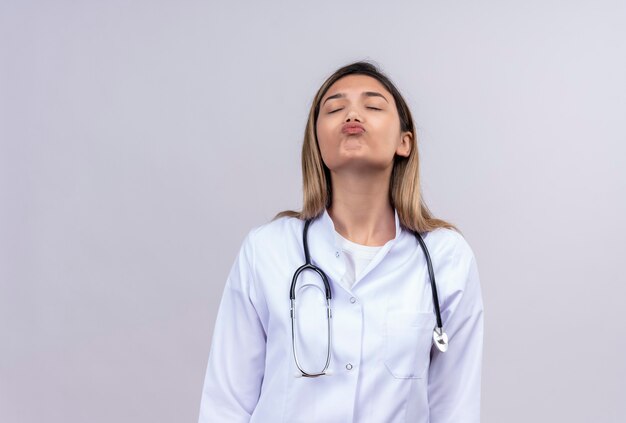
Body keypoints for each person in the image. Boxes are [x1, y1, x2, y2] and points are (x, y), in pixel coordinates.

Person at [198, 61, 484, 423]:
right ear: (317, 143)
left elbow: (455, 409)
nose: (352, 113)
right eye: (334, 108)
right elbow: (226, 405)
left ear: (404, 142)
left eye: (373, 105)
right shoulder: (267, 250)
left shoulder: (447, 258)